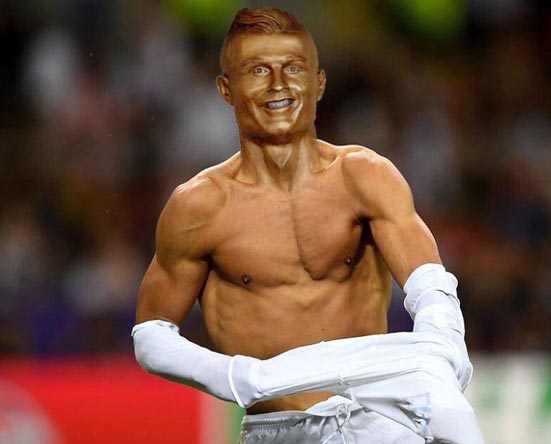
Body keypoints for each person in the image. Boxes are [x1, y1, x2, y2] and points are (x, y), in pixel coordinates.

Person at [132, 7, 484, 444]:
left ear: (319, 83)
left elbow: (430, 285)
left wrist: (441, 347)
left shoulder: (364, 177)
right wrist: (240, 378)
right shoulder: (200, 206)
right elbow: (151, 336)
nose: (278, 84)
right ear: (226, 89)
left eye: (293, 68)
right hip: (279, 429)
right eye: (258, 70)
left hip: (378, 423)